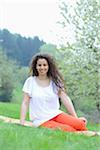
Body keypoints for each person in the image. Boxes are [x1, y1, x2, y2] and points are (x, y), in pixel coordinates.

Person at [20, 53, 99, 136]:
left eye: (45, 65)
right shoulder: (30, 81)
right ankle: (88, 135)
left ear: (49, 66)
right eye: (39, 65)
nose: (42, 67)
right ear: (36, 67)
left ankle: (87, 134)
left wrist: (75, 118)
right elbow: (25, 103)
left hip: (56, 114)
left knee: (80, 124)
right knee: (69, 130)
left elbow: (65, 99)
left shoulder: (55, 81)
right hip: (41, 120)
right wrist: (22, 122)